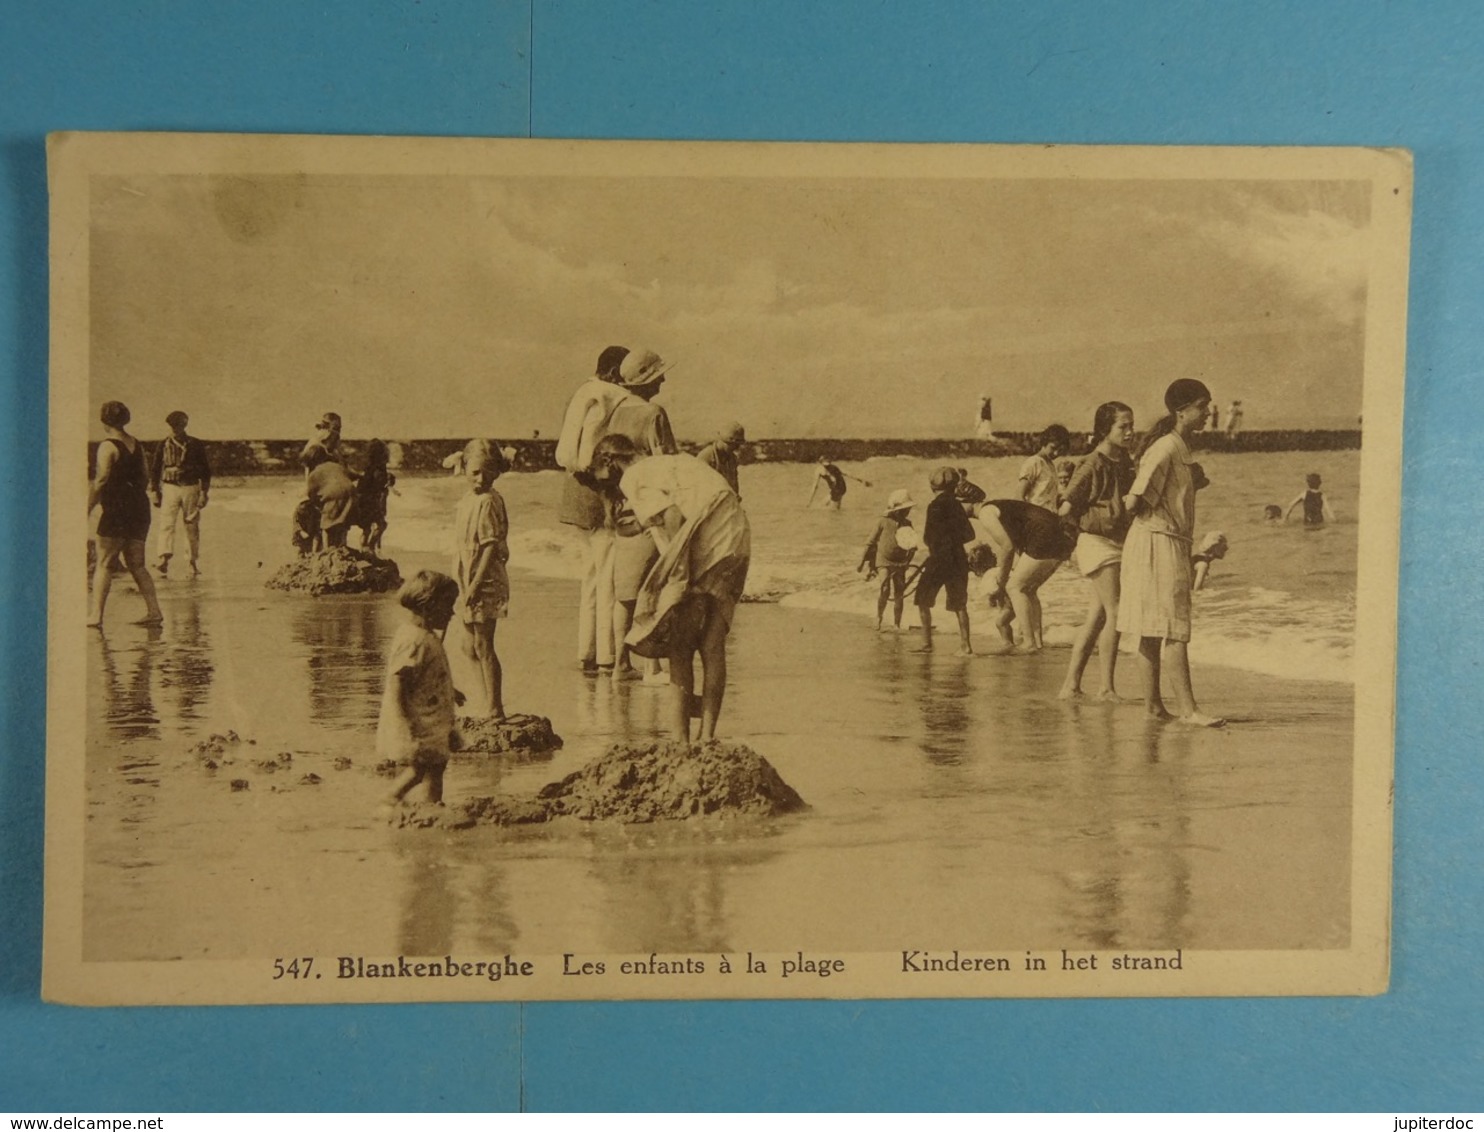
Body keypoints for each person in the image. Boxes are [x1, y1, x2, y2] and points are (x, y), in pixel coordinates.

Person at [589, 435, 751, 743]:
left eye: (601, 476)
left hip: (708, 540)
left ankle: (679, 741)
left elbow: (674, 516)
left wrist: (681, 577)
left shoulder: (634, 477)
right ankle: (707, 736)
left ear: (610, 461)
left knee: (680, 645)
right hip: (736, 536)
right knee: (713, 645)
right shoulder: (667, 462)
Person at [1118, 378, 1224, 726]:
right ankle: (1189, 710)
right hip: (1157, 542)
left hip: (1156, 540)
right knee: (1174, 629)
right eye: (1202, 407)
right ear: (1182, 411)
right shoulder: (1166, 448)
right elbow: (1134, 499)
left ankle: (1154, 707)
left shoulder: (1176, 446)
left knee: (1150, 629)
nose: (1207, 413)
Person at [555, 346, 631, 674]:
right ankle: (607, 657)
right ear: (615, 372)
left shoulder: (583, 390)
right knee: (609, 576)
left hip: (574, 488)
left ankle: (586, 652)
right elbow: (591, 447)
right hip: (598, 489)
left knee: (591, 576)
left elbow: (571, 448)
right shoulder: (609, 394)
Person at [1057, 401, 1136, 699]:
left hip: (1116, 541)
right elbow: (1064, 507)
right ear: (1105, 429)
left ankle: (1071, 685)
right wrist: (1073, 539)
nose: (1130, 432)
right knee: (1116, 612)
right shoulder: (1092, 463)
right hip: (1096, 542)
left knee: (1098, 615)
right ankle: (1106, 687)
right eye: (1123, 427)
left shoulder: (1124, 460)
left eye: (1132, 426)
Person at [379, 571, 465, 806]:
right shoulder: (415, 641)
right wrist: (404, 722)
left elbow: (425, 674)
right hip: (419, 722)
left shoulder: (423, 637)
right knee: (423, 768)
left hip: (431, 718)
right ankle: (394, 797)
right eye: (447, 606)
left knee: (434, 767)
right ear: (429, 607)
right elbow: (399, 680)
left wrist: (451, 691)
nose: (451, 613)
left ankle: (429, 804)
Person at [87, 401, 165, 628]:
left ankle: (96, 616)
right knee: (137, 564)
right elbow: (144, 477)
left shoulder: (107, 446)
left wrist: (88, 507)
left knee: (104, 563)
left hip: (117, 509)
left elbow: (100, 480)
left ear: (104, 422)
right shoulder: (137, 445)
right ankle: (154, 611)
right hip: (139, 507)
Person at [453, 440, 510, 720]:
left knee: (484, 644)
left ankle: (494, 706)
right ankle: (484, 697)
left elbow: (490, 545)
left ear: (497, 472)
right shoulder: (467, 500)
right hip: (468, 578)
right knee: (469, 645)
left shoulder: (487, 500)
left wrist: (474, 585)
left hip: (484, 580)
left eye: (488, 472)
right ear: (463, 468)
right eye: (474, 472)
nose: (481, 478)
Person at [975, 498, 1078, 653]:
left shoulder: (985, 511)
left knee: (1015, 587)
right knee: (1029, 589)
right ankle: (1037, 642)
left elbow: (1007, 547)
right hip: (1064, 536)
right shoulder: (1005, 507)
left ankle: (1028, 643)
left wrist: (1001, 582)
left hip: (1044, 535)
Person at [914, 467, 975, 654]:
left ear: (933, 487)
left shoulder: (934, 506)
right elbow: (969, 534)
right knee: (959, 604)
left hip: (939, 559)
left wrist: (938, 548)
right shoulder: (957, 506)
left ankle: (926, 644)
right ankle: (966, 645)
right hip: (958, 559)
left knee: (923, 599)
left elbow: (928, 538)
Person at [149, 409, 211, 577]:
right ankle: (164, 559)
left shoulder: (195, 444)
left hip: (191, 487)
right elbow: (155, 469)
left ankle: (192, 563)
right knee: (166, 524)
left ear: (185, 425)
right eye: (172, 426)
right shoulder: (163, 444)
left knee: (191, 525)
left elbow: (205, 470)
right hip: (169, 487)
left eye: (178, 426)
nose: (175, 429)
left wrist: (204, 492)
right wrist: (154, 490)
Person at [859, 489, 918, 631]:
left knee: (899, 593)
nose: (907, 512)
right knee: (885, 589)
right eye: (904, 510)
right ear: (895, 510)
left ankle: (897, 623)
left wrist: (907, 562)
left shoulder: (908, 524)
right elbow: (870, 543)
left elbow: (912, 546)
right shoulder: (883, 522)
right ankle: (879, 617)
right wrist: (861, 563)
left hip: (900, 563)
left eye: (908, 509)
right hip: (883, 560)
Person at [306, 450, 359, 548]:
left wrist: (318, 505)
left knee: (325, 524)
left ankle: (326, 549)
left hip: (333, 494)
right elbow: (354, 476)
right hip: (351, 492)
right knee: (343, 520)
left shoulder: (315, 473)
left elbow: (311, 493)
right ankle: (343, 546)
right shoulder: (337, 466)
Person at [355, 439, 396, 555]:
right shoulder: (379, 471)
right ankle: (371, 547)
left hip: (364, 503)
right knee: (382, 525)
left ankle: (363, 548)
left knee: (366, 529)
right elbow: (380, 486)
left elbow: (362, 487)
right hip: (373, 503)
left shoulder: (368, 468)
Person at [1019, 424, 1071, 510]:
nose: (1056, 453)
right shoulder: (1033, 462)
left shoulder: (1051, 465)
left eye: (1060, 450)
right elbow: (1019, 496)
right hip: (1035, 516)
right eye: (1053, 448)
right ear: (1044, 442)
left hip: (1049, 517)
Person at [696, 422, 746, 498]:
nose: (737, 448)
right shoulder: (706, 457)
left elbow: (734, 485)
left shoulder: (732, 459)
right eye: (734, 445)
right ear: (724, 441)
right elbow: (697, 487)